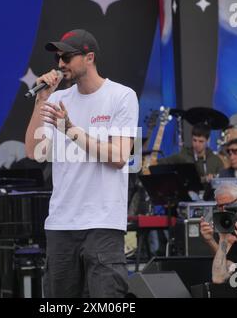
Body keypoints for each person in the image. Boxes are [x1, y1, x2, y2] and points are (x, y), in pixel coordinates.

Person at [25, 29, 139, 298]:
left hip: (102, 222)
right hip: (61, 223)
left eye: (67, 56)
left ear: (89, 57)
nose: (60, 63)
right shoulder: (56, 99)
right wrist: (41, 100)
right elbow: (34, 152)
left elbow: (119, 157)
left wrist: (71, 130)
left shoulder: (121, 96)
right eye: (58, 57)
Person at [158, 123, 224, 183]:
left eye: (201, 141)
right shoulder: (183, 156)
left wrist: (214, 179)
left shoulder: (216, 161)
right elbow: (160, 163)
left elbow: (223, 182)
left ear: (208, 140)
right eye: (194, 140)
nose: (197, 144)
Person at [200, 182, 237, 254]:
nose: (224, 210)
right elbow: (223, 261)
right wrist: (210, 240)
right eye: (220, 206)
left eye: (228, 205)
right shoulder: (217, 221)